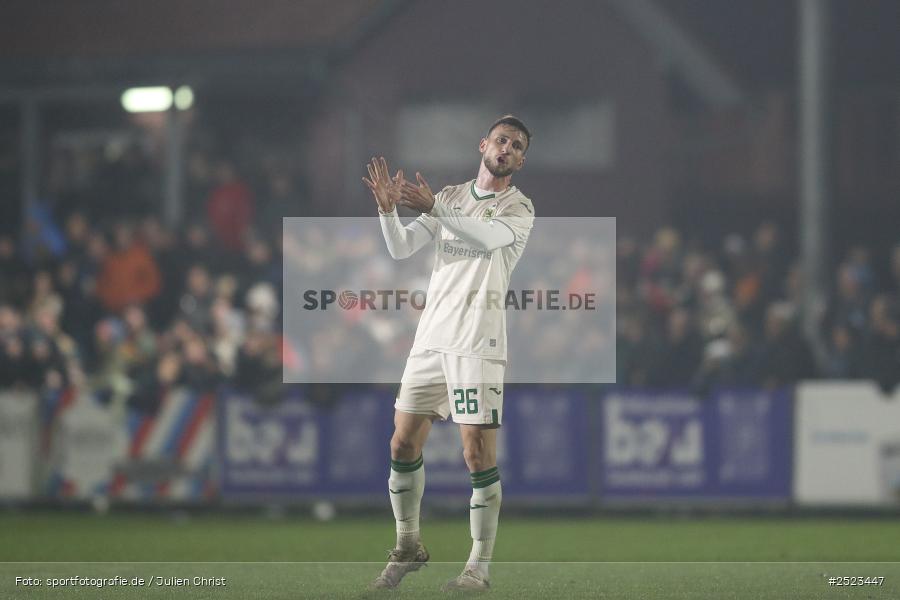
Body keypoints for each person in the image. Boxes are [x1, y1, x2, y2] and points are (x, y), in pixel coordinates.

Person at [363, 115, 535, 592]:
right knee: (401, 444)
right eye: (501, 140)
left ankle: (478, 567)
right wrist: (386, 211)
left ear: (521, 161)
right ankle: (408, 546)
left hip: (478, 341)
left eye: (516, 146)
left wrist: (435, 209)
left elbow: (486, 238)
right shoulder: (452, 196)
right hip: (431, 338)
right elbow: (401, 249)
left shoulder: (519, 208)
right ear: (483, 144)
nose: (506, 148)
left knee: (476, 454)